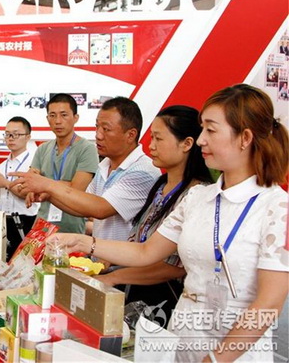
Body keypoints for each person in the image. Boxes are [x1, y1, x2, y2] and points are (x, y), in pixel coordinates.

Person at [45, 84, 288, 362]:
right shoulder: (198, 197)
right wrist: (84, 242)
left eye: (210, 130)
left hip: (235, 350)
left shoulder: (277, 207)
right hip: (183, 337)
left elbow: (269, 304)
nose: (200, 141)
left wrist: (217, 359)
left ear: (244, 137)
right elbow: (146, 251)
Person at [95, 105, 213, 320]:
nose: (151, 146)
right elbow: (140, 241)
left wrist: (116, 274)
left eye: (159, 139)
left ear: (187, 143)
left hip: (167, 299)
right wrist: (110, 262)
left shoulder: (197, 194)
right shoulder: (160, 185)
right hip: (138, 289)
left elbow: (174, 267)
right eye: (151, 138)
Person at [16, 97, 160, 241]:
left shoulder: (143, 172)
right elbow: (82, 206)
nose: (98, 135)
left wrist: (46, 185)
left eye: (106, 129)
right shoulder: (104, 167)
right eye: (97, 127)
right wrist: (47, 193)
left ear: (130, 135)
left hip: (125, 262)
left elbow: (99, 208)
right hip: (101, 259)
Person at [25, 93, 98, 234]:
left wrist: (45, 188)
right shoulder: (43, 149)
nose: (58, 121)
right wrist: (32, 190)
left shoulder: (87, 149)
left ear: (75, 118)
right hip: (42, 226)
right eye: (52, 115)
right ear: (47, 119)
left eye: (64, 115)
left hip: (72, 229)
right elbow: (31, 180)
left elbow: (76, 189)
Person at [0, 116, 38, 260]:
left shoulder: (34, 164)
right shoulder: (1, 166)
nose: (11, 138)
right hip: (1, 222)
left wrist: (6, 183)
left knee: (23, 267)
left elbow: (27, 193)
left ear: (28, 137)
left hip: (25, 222)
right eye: (7, 134)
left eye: (16, 134)